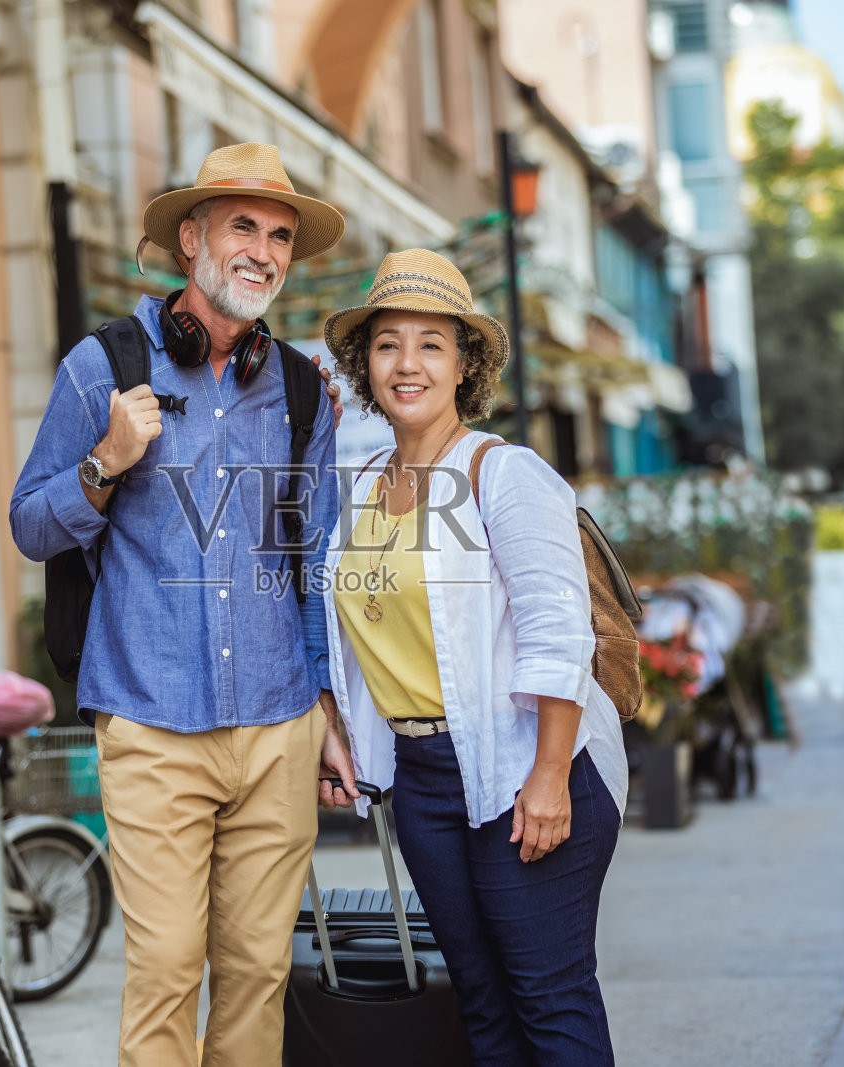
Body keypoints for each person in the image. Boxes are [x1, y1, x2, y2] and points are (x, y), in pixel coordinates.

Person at [9, 143, 356, 1067]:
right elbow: (29, 526)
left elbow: (311, 556)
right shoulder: (103, 368)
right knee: (165, 968)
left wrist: (327, 702)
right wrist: (104, 464)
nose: (265, 250)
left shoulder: (299, 390)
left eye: (280, 235)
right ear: (191, 236)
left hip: (278, 720)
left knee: (255, 974)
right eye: (244, 225)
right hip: (152, 721)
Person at [316, 249, 626, 1065]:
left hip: (523, 765)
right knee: (482, 1007)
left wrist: (552, 775)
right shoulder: (359, 490)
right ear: (364, 363)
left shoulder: (505, 474)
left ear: (465, 364)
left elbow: (563, 634)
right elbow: (350, 627)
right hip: (421, 779)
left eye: (430, 344)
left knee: (549, 999)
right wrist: (334, 727)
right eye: (387, 344)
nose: (406, 364)